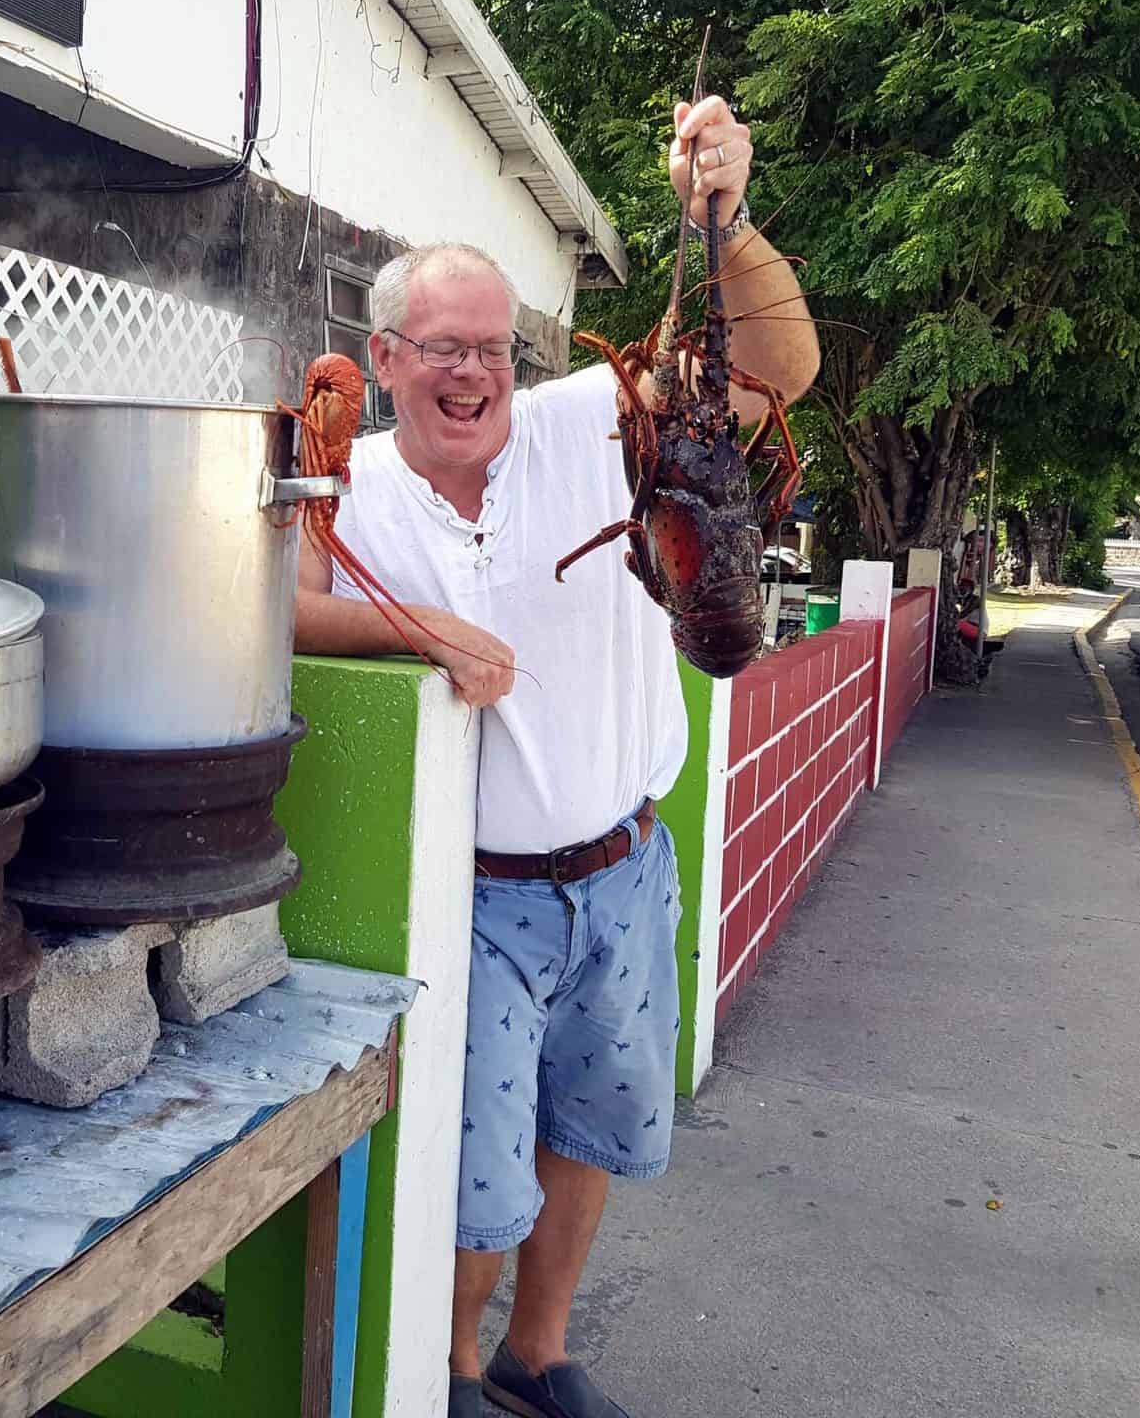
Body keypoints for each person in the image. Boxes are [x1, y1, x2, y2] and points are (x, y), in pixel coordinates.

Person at [293, 95, 818, 1418]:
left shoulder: (593, 421)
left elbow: (779, 369)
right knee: (477, 1168)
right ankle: (453, 1370)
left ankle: (541, 1349)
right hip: (476, 897)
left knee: (593, 1130)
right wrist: (418, 628)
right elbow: (265, 602)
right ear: (386, 356)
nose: (472, 374)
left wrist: (728, 218)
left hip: (628, 869)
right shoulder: (346, 484)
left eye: (493, 348)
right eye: (440, 350)